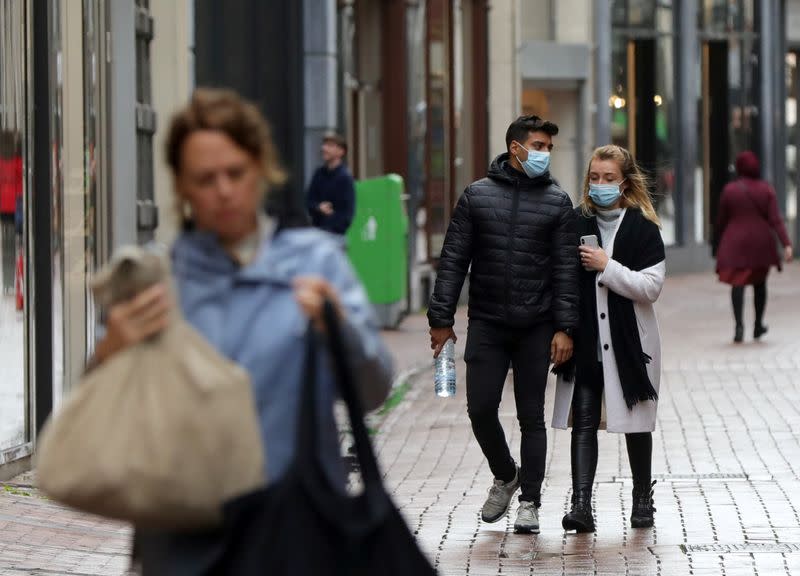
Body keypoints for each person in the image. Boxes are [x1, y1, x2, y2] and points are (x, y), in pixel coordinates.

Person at [89, 88, 392, 574]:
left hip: (297, 535)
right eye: (205, 179)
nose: (224, 190)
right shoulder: (160, 280)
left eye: (235, 172)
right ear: (182, 188)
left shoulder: (316, 262)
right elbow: (105, 422)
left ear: (261, 169)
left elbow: (374, 389)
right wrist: (109, 355)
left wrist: (342, 332)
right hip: (183, 539)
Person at [427, 115, 579, 534]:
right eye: (538, 145)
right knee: (479, 408)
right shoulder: (477, 196)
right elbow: (453, 259)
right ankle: (505, 474)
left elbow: (567, 270)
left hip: (537, 325)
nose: (544, 154)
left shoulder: (557, 202)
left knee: (531, 415)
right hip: (488, 323)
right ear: (515, 148)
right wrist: (441, 318)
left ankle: (530, 500)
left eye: (549, 147)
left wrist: (565, 327)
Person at [552, 144, 665, 533]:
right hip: (585, 342)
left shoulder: (644, 227)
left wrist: (607, 266)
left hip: (629, 344)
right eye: (594, 178)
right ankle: (581, 505)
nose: (600, 185)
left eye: (608, 178)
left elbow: (650, 287)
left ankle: (642, 500)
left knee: (636, 423)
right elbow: (560, 280)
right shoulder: (574, 222)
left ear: (625, 182)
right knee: (583, 420)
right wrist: (562, 328)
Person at [715, 151, 793, 343]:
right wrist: (786, 244)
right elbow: (776, 220)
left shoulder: (730, 190)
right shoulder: (766, 190)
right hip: (761, 244)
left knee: (737, 284)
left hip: (735, 243)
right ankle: (758, 324)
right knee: (760, 284)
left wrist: (717, 243)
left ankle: (739, 327)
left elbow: (721, 220)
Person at [306, 132, 356, 236]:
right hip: (317, 233)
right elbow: (309, 201)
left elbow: (347, 214)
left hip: (335, 237)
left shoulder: (345, 178)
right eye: (324, 144)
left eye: (330, 146)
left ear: (341, 151)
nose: (324, 148)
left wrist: (333, 227)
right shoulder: (318, 174)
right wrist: (318, 207)